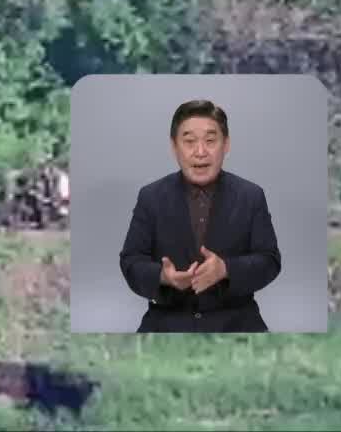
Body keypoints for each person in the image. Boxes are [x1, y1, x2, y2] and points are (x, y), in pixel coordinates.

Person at [119, 99, 282, 332]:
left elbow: (270, 260)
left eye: (210, 140)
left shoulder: (251, 196)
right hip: (167, 323)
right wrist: (163, 277)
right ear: (174, 147)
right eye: (189, 141)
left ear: (226, 145)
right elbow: (131, 261)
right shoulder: (151, 197)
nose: (200, 152)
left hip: (237, 323)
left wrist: (226, 269)